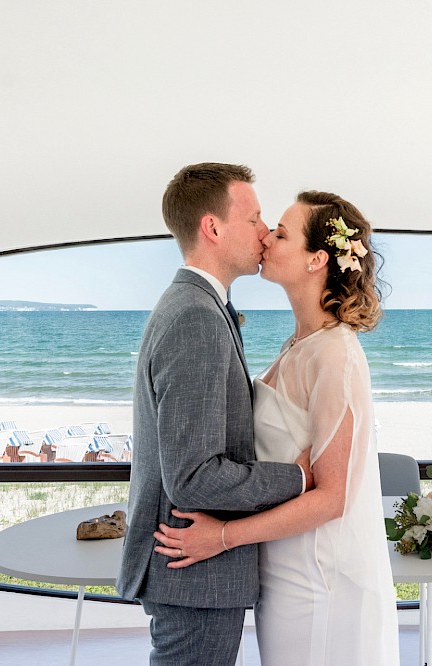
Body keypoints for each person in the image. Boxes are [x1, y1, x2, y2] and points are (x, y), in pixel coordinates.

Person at [154, 191, 400, 665]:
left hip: (321, 579)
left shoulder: (336, 355)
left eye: (281, 233)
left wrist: (222, 536)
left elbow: (333, 497)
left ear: (317, 260)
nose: (266, 236)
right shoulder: (299, 344)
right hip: (283, 569)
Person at [116, 163, 310, 666]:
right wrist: (297, 478)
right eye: (255, 219)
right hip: (193, 574)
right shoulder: (196, 318)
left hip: (195, 575)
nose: (265, 231)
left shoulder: (203, 306)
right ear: (213, 228)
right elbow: (194, 479)